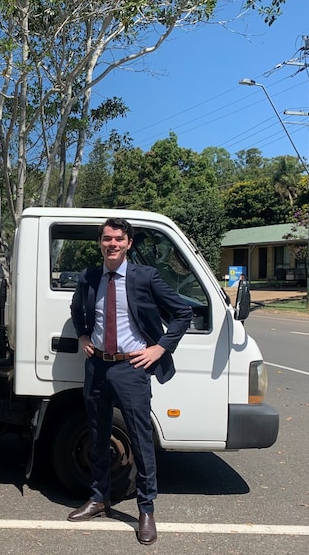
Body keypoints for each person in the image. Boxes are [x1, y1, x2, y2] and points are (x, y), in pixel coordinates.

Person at [67, 218, 193, 546]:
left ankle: (146, 510)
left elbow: (183, 312)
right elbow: (77, 307)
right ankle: (99, 498)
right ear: (100, 242)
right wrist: (82, 335)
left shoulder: (145, 277)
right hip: (97, 366)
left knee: (140, 439)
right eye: (107, 238)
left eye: (118, 239)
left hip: (131, 368)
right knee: (97, 435)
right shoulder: (90, 277)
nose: (112, 244)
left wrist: (159, 348)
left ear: (128, 243)